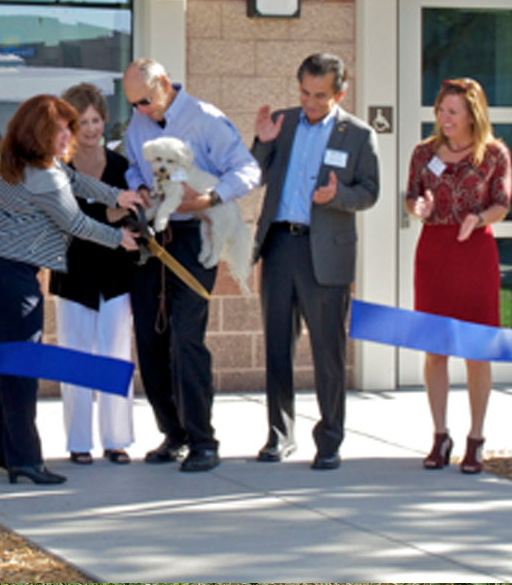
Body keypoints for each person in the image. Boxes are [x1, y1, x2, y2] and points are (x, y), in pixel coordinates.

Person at [0, 94, 141, 485]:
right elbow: (76, 223)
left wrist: (118, 195)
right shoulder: (43, 176)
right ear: (43, 132)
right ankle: (26, 461)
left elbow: (78, 181)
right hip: (12, 277)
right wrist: (120, 238)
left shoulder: (25, 162)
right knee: (19, 369)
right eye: (64, 128)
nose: (72, 134)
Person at [121, 58, 261, 473]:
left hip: (194, 233)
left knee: (186, 339)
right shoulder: (138, 122)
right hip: (153, 233)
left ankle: (203, 439)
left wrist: (211, 198)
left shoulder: (205, 119)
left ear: (164, 84)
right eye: (134, 105)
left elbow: (249, 169)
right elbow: (131, 164)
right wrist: (139, 187)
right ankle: (173, 433)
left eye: (146, 101)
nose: (142, 111)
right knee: (150, 338)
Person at [251, 53, 380, 470]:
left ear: (339, 93)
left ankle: (329, 439)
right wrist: (263, 141)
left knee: (328, 350)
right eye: (304, 92)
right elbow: (254, 174)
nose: (309, 101)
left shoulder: (357, 134)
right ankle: (279, 434)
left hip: (325, 251)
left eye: (319, 95)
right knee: (276, 346)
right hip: (279, 246)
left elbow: (370, 192)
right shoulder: (284, 122)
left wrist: (337, 196)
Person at [405, 77, 512, 475]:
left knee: (476, 350)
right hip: (434, 252)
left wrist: (476, 218)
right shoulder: (423, 152)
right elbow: (411, 195)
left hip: (474, 252)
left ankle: (476, 438)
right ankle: (439, 435)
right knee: (435, 350)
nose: (443, 118)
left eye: (452, 112)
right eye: (440, 110)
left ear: (472, 114)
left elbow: (502, 203)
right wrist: (419, 207)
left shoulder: (494, 154)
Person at [48, 82, 137, 465]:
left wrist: (108, 217)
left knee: (116, 355)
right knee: (75, 357)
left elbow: (132, 214)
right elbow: (65, 221)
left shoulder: (121, 167)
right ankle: (78, 442)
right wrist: (108, 216)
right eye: (82, 121)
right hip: (74, 275)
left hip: (116, 274)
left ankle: (116, 440)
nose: (90, 128)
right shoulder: (56, 168)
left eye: (96, 120)